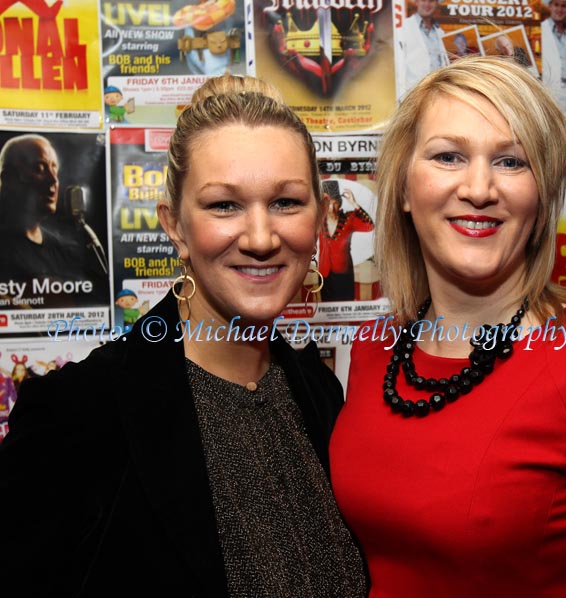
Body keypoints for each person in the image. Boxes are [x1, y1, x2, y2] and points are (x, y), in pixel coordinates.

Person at [329, 56, 566, 597]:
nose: (479, 189)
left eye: (511, 162)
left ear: (543, 199)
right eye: (448, 156)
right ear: (404, 191)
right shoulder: (374, 349)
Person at [0, 75, 367, 597]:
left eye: (286, 202)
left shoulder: (321, 394)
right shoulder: (80, 414)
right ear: (175, 227)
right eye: (224, 205)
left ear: (317, 218)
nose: (261, 238)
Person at [0, 134, 107, 304]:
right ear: (8, 179)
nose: (53, 180)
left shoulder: (64, 249)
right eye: (39, 168)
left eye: (54, 168)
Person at [318, 179, 374, 301]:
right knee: (327, 311)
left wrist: (354, 203)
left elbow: (369, 226)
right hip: (325, 274)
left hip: (344, 273)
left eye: (335, 203)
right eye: (328, 204)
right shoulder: (318, 221)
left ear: (340, 202)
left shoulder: (349, 218)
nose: (332, 208)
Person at [399, 0, 449, 95]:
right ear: (416, 2)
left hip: (437, 94)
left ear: (436, 4)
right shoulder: (403, 27)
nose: (427, 4)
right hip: (412, 93)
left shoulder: (440, 32)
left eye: (431, 1)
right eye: (423, 0)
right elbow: (398, 64)